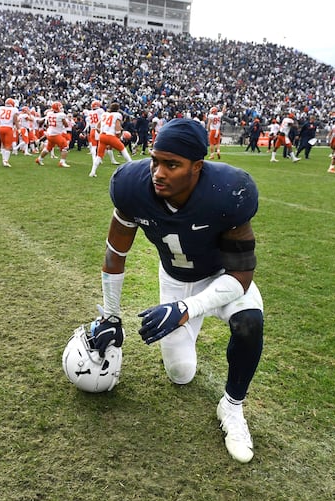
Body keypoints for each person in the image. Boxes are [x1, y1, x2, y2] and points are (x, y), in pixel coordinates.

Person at [90, 118, 264, 464]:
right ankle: (186, 342)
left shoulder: (228, 192)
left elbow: (242, 274)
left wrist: (188, 308)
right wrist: (110, 314)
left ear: (197, 167)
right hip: (174, 278)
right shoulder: (131, 188)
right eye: (155, 160)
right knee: (180, 374)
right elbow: (115, 254)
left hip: (221, 277)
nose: (158, 172)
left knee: (249, 324)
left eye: (172, 165)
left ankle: (232, 406)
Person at [88, 102, 133, 177]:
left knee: (99, 155)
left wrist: (101, 132)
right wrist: (118, 136)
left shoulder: (104, 114)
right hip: (110, 136)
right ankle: (132, 165)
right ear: (117, 109)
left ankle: (92, 172)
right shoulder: (117, 115)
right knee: (123, 149)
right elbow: (117, 128)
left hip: (102, 136)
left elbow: (97, 126)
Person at [35, 101, 71, 168]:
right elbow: (66, 125)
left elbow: (48, 122)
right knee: (65, 147)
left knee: (48, 148)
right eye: (60, 107)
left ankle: (39, 159)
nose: (61, 108)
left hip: (50, 134)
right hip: (56, 134)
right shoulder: (61, 115)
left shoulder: (49, 114)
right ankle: (62, 162)